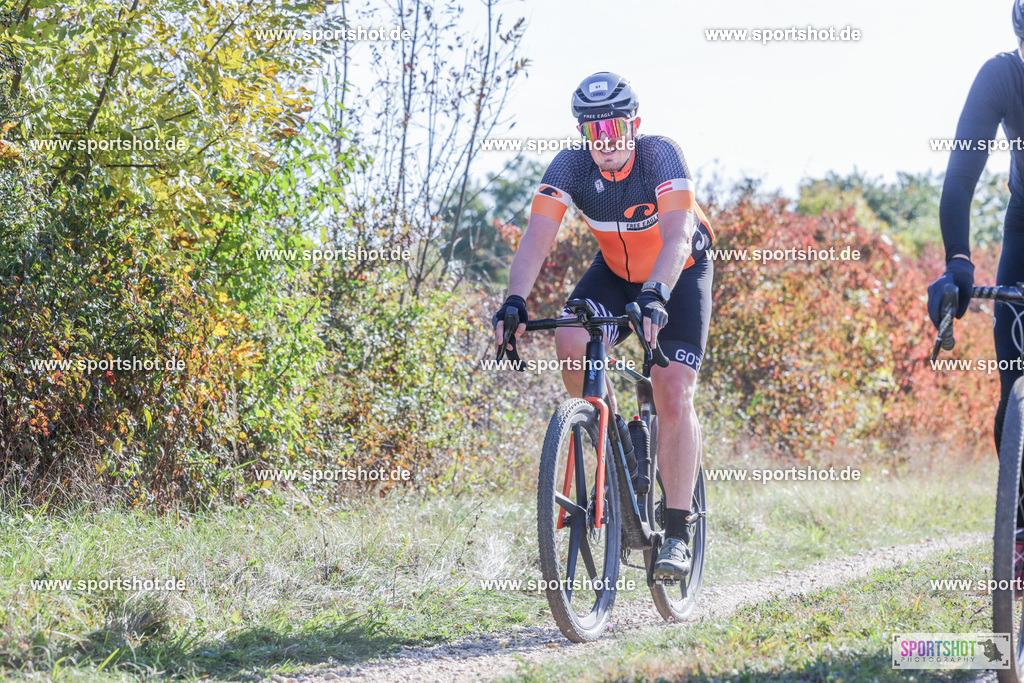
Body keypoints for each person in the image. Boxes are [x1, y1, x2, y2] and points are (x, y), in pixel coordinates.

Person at [492, 72, 715, 580]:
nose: (606, 142)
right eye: (595, 132)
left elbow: (678, 233)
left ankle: (677, 531)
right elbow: (536, 237)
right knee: (570, 336)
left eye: (615, 129)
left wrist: (656, 295)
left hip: (678, 272)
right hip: (616, 273)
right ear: (582, 133)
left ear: (634, 125)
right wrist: (514, 302)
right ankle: (617, 448)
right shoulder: (570, 166)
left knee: (672, 386)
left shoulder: (661, 155)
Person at [929, 0, 1024, 580]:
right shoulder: (1002, 75)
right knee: (1013, 381)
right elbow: (962, 173)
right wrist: (958, 261)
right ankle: (1020, 524)